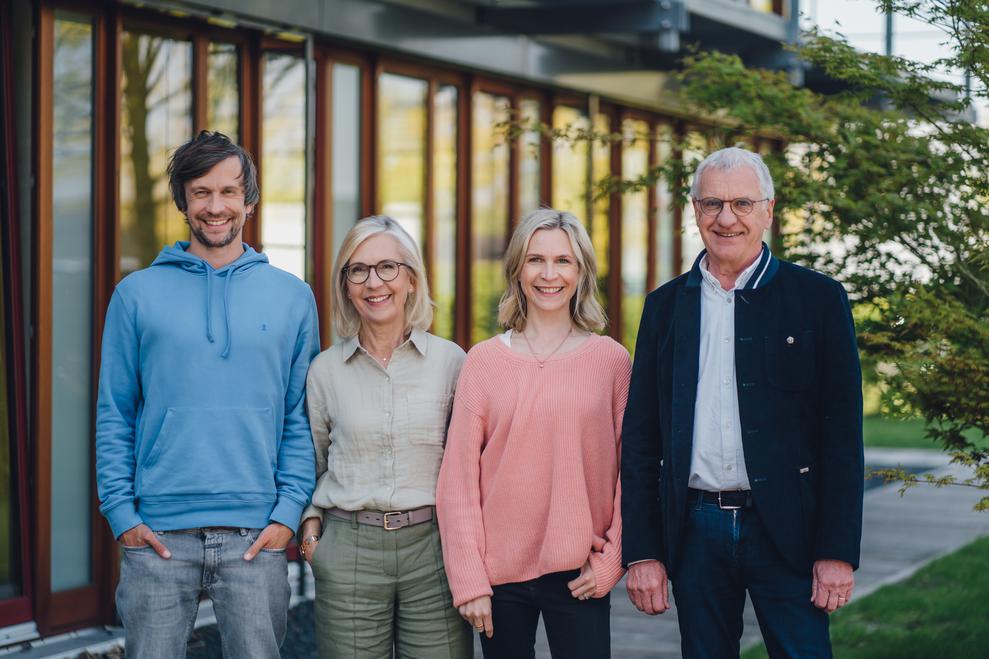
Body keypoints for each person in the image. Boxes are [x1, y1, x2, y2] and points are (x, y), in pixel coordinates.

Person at [621, 147, 864, 658]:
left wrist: (837, 552)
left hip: (790, 532)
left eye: (741, 204)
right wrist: (643, 551)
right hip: (696, 529)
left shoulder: (818, 299)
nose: (725, 218)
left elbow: (842, 438)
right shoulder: (664, 307)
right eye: (712, 204)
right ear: (694, 210)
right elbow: (641, 440)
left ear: (768, 210)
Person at [95, 131, 319, 658]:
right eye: (200, 192)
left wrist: (288, 513)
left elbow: (299, 417)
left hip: (256, 534)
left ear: (250, 199)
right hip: (157, 534)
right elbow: (114, 414)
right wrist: (122, 516)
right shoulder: (136, 295)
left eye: (228, 191)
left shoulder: (292, 297)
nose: (215, 207)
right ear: (183, 200)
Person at [436, 208, 630, 659]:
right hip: (497, 577)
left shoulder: (611, 362)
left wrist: (611, 562)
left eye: (563, 261)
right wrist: (469, 581)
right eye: (535, 260)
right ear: (517, 270)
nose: (549, 274)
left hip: (580, 571)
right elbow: (458, 483)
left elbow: (632, 474)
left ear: (581, 271)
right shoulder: (483, 362)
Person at [298, 215, 472, 659]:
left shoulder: (453, 363)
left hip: (434, 549)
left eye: (388, 267)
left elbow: (469, 463)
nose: (374, 282)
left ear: (411, 278)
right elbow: (312, 459)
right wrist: (313, 531)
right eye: (358, 270)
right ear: (346, 285)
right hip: (350, 548)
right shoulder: (324, 371)